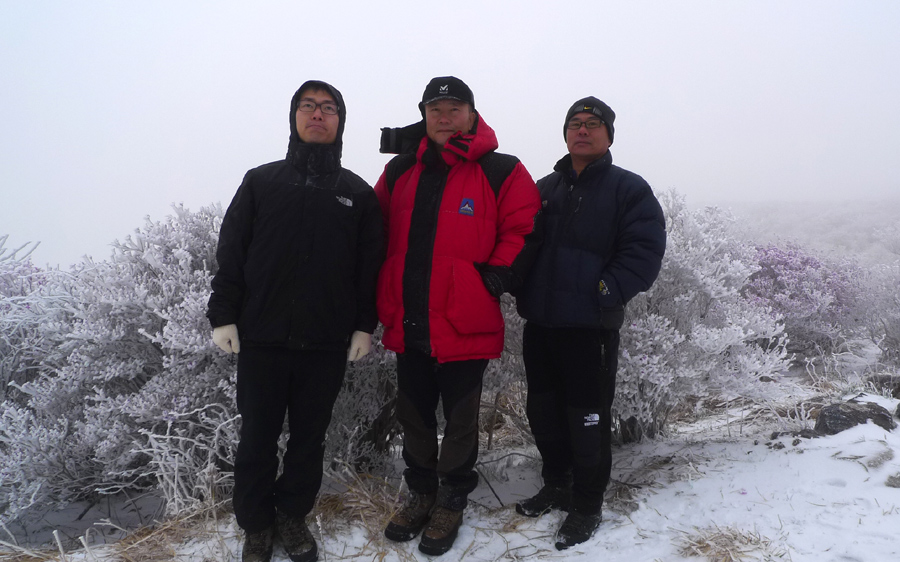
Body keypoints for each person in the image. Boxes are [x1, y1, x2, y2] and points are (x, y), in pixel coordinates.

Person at [206, 80, 383, 562]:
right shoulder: (261, 181)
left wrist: (364, 325)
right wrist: (223, 315)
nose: (318, 115)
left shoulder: (357, 194)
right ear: (295, 117)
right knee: (257, 437)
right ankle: (257, 526)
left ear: (341, 121)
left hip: (325, 342)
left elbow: (370, 270)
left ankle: (291, 518)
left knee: (309, 439)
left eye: (329, 108)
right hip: (262, 338)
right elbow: (233, 253)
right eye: (309, 106)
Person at [375, 76, 541, 556]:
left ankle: (451, 498)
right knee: (415, 415)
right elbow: (374, 230)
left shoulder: (501, 171)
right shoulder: (400, 171)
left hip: (465, 319)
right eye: (435, 109)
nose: (444, 116)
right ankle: (422, 492)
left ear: (472, 114)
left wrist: (491, 279)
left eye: (454, 108)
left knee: (462, 419)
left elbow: (524, 229)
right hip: (409, 319)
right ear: (424, 116)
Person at [514, 97, 666, 550]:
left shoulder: (628, 189)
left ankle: (586, 503)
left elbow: (644, 251)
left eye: (593, 124)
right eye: (575, 124)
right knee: (542, 411)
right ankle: (556, 483)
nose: (583, 130)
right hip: (540, 324)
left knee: (587, 418)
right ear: (565, 134)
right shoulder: (544, 188)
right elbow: (518, 242)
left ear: (608, 136)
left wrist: (605, 290)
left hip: (590, 328)